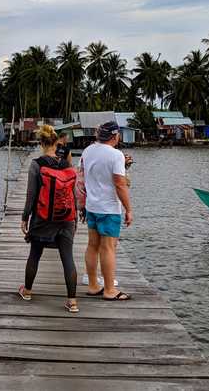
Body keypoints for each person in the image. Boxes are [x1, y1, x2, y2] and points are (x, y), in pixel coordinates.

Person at [19, 125, 79, 313]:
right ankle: (72, 302)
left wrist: (24, 217)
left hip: (43, 218)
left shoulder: (37, 164)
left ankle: (27, 291)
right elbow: (73, 193)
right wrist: (74, 218)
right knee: (67, 258)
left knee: (35, 254)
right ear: (56, 142)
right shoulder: (67, 164)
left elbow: (31, 194)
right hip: (67, 218)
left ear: (41, 143)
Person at [80, 121, 132, 301]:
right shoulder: (116, 155)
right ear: (115, 136)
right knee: (108, 248)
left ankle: (94, 285)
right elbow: (119, 183)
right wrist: (128, 209)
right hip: (109, 208)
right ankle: (110, 290)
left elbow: (87, 175)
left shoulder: (87, 151)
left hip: (92, 206)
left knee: (92, 245)